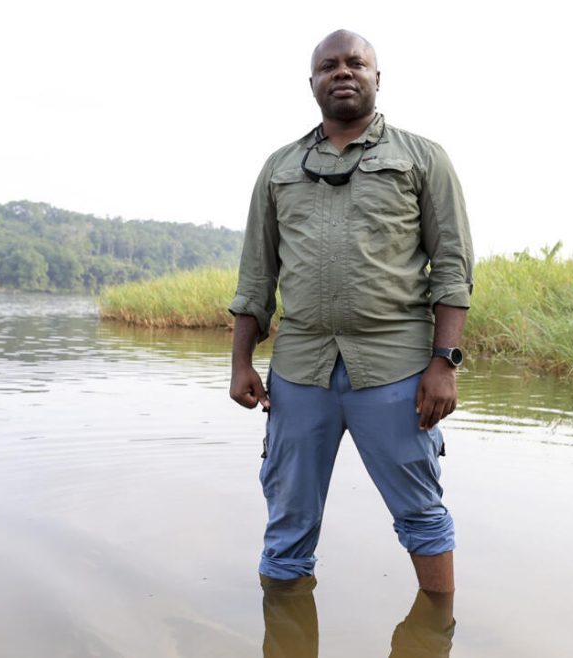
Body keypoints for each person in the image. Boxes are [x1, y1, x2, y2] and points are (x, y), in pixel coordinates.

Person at [228, 29, 473, 596]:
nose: (343, 72)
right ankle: (286, 633)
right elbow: (256, 277)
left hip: (398, 370)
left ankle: (436, 631)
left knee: (421, 514)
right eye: (330, 66)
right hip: (299, 372)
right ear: (312, 83)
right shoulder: (279, 167)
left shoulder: (423, 158)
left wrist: (445, 363)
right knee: (287, 523)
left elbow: (453, 268)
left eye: (356, 63)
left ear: (376, 78)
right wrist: (240, 362)